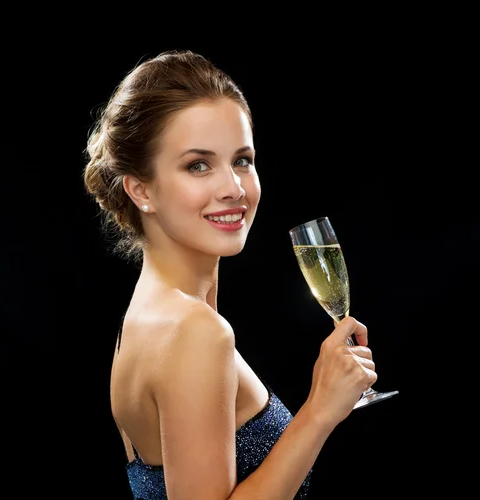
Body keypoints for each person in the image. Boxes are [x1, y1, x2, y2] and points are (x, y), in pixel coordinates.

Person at [83, 49, 378, 500]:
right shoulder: (195, 332)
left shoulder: (148, 314)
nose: (234, 189)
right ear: (141, 190)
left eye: (242, 159)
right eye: (198, 165)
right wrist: (319, 410)